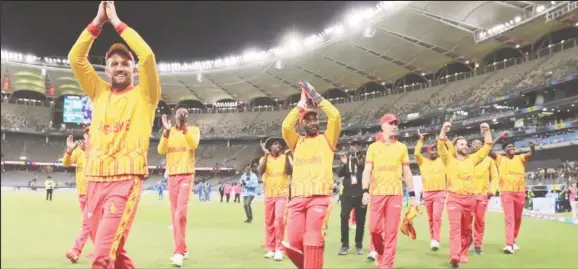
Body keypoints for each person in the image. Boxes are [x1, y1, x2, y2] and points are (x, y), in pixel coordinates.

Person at [68, 2, 161, 268]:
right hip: (94, 180)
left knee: (101, 257)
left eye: (125, 63)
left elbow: (149, 56)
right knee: (115, 254)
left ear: (134, 69)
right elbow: (75, 58)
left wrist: (117, 23)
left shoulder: (146, 95)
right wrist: (97, 23)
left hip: (125, 181)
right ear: (106, 71)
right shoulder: (98, 92)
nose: (120, 67)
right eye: (113, 64)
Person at [281, 81, 341, 269]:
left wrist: (316, 96)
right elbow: (285, 127)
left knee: (313, 243)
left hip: (319, 198)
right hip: (297, 199)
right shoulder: (296, 142)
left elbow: (335, 116)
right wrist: (301, 105)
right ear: (302, 124)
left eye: (316, 119)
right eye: (309, 120)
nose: (314, 122)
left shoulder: (327, 138)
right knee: (293, 243)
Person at [361, 113, 416, 269]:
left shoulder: (402, 148)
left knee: (391, 232)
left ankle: (387, 264)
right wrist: (365, 191)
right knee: (374, 230)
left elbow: (407, 173)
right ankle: (381, 253)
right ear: (383, 126)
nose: (394, 126)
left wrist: (412, 195)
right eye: (390, 123)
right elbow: (367, 170)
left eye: (395, 124)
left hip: (395, 195)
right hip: (377, 194)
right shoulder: (373, 148)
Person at [437, 122, 493, 268]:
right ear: (455, 147)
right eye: (461, 144)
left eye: (465, 144)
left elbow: (487, 146)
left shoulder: (472, 160)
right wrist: (443, 129)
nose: (465, 146)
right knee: (455, 228)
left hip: (470, 199)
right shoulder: (448, 159)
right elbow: (441, 144)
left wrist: (487, 131)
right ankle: (454, 255)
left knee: (467, 230)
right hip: (454, 199)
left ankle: (463, 253)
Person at [157, 108, 200, 267]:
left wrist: (184, 129)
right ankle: (184, 249)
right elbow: (161, 150)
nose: (182, 116)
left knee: (179, 214)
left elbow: (193, 144)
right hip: (172, 176)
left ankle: (178, 252)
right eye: (179, 114)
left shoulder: (193, 130)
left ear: (187, 117)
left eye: (185, 114)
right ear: (175, 116)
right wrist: (166, 133)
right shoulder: (169, 132)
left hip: (186, 175)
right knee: (177, 216)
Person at [489, 139, 535, 254]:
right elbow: (488, 150)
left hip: (519, 192)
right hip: (506, 192)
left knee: (518, 219)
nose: (512, 148)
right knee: (509, 218)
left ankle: (513, 241)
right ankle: (509, 245)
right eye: (509, 147)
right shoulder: (500, 159)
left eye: (513, 146)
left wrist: (532, 147)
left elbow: (531, 154)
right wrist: (499, 138)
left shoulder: (520, 158)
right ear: (504, 150)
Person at [257, 137, 292, 261]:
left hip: (282, 193)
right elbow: (260, 170)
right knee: (269, 222)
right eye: (275, 144)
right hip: (269, 194)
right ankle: (271, 249)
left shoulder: (285, 157)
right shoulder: (264, 159)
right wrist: (266, 156)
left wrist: (288, 157)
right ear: (270, 147)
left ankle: (279, 249)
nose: (278, 146)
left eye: (279, 144)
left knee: (279, 220)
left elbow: (290, 171)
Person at [63, 129, 94, 263]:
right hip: (81, 193)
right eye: (86, 135)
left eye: (89, 135)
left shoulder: (97, 151)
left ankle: (75, 251)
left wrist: (88, 150)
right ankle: (101, 249)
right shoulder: (79, 151)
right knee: (92, 224)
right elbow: (66, 164)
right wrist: (69, 151)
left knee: (86, 224)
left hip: (94, 193)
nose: (86, 137)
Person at [414, 130, 446, 251]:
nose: (434, 151)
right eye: (432, 150)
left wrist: (440, 141)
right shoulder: (423, 162)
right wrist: (421, 140)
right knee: (430, 218)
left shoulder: (442, 160)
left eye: (436, 150)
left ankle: (436, 239)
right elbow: (417, 154)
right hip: (427, 193)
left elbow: (447, 151)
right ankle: (433, 238)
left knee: (437, 216)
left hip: (440, 192)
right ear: (428, 152)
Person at [337, 140, 367, 256]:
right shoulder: (346, 159)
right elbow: (339, 174)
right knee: (344, 218)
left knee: (360, 220)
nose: (354, 147)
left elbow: (367, 172)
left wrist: (358, 162)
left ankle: (358, 245)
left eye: (357, 145)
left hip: (361, 194)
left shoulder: (364, 158)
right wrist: (343, 164)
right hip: (347, 194)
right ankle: (345, 245)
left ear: (360, 147)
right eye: (352, 145)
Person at [470, 139, 499, 255]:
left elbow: (495, 176)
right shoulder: (468, 159)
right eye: (474, 143)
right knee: (466, 221)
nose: (477, 145)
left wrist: (492, 190)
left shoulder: (489, 160)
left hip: (482, 195)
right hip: (468, 195)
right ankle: (466, 242)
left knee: (480, 221)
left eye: (479, 144)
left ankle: (478, 245)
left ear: (483, 147)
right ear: (471, 146)